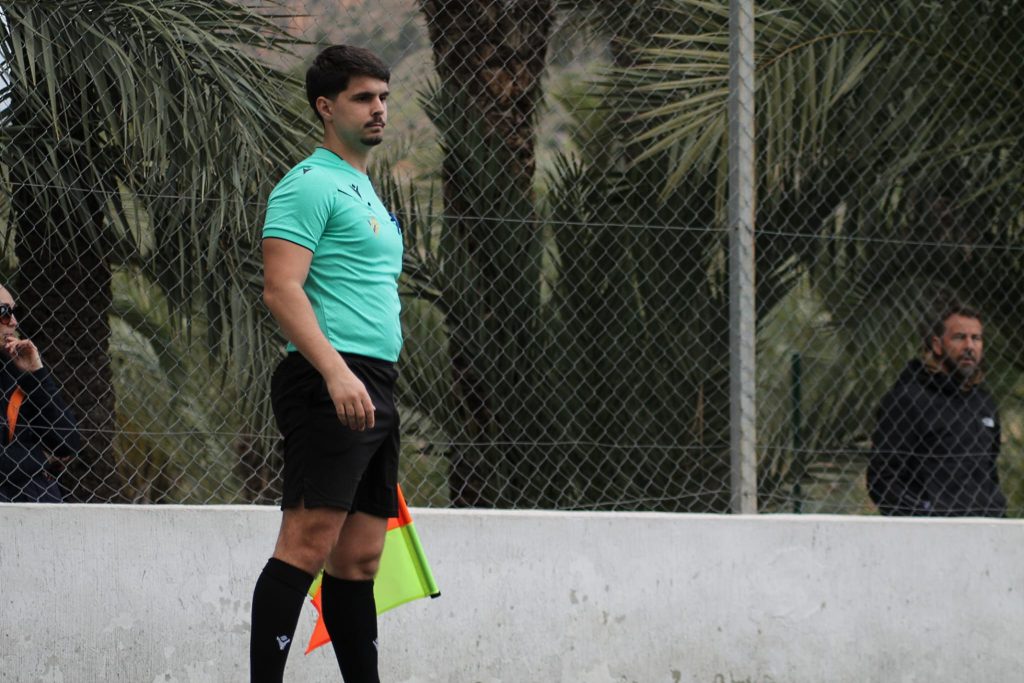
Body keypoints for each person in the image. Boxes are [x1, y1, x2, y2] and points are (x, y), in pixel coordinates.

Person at [249, 45, 403, 683]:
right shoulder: (308, 183)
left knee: (360, 559)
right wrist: (336, 372)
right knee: (307, 543)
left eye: (383, 97)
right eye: (363, 97)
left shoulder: (364, 189)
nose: (378, 109)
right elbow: (281, 288)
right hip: (329, 380)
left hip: (376, 382)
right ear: (325, 106)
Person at [867, 301, 1007, 517]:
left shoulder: (984, 402)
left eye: (976, 338)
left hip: (986, 529)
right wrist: (928, 516)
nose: (969, 346)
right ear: (937, 345)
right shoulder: (908, 400)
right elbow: (882, 479)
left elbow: (989, 470)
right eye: (959, 337)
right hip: (931, 531)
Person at [0, 283, 80, 502]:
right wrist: (41, 455)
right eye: (4, 312)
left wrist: (36, 373)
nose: (14, 322)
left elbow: (67, 441)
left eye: (14, 312)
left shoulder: (14, 369)